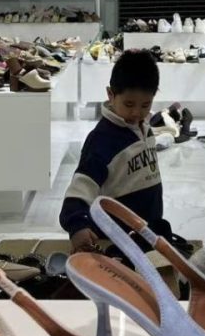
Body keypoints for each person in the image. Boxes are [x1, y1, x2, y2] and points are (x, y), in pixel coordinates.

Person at [60, 48, 177, 254]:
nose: (137, 112)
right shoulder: (102, 140)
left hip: (145, 232)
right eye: (129, 104)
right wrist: (77, 224)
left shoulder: (144, 126)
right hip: (115, 239)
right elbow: (81, 188)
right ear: (111, 95)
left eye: (145, 105)